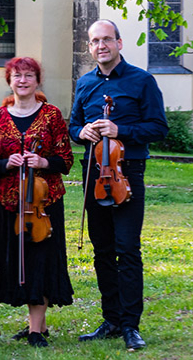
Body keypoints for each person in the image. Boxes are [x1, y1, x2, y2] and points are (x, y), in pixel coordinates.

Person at [70, 20, 168, 351]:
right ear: (90, 46)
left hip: (128, 174)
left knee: (127, 249)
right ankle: (111, 319)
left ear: (119, 43)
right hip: (93, 173)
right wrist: (80, 132)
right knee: (102, 250)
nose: (101, 46)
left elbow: (158, 127)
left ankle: (130, 325)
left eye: (107, 40)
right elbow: (73, 125)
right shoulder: (84, 84)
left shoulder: (142, 80)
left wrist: (120, 130)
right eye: (95, 41)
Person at [0, 57, 75, 348]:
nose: (23, 80)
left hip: (44, 201)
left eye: (29, 75)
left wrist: (43, 161)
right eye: (17, 76)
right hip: (10, 201)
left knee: (41, 260)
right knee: (17, 261)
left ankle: (36, 330)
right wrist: (6, 164)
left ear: (37, 80)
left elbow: (66, 160)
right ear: (9, 80)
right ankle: (34, 325)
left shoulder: (51, 115)